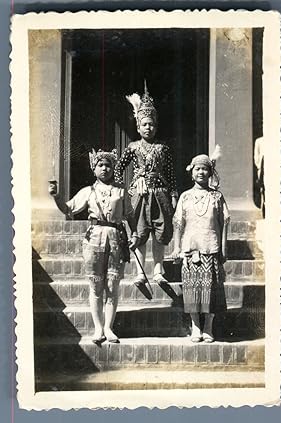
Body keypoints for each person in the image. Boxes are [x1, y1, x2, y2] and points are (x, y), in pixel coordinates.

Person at [48, 148, 139, 344]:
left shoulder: (121, 190)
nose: (104, 168)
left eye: (108, 165)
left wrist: (135, 234)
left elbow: (130, 215)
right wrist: (56, 197)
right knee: (96, 285)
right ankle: (98, 328)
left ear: (114, 168)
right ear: (94, 168)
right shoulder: (87, 191)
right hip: (94, 239)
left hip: (116, 238)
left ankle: (109, 327)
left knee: (112, 286)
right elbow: (68, 209)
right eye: (100, 165)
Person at [114, 82, 178, 286]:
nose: (148, 128)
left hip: (160, 194)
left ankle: (158, 270)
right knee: (139, 232)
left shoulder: (163, 148)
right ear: (138, 126)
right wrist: (123, 189)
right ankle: (140, 272)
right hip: (138, 195)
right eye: (144, 124)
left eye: (151, 124)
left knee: (160, 232)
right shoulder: (132, 147)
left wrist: (174, 195)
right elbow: (118, 168)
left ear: (156, 126)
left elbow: (170, 173)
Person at [171, 148, 230, 343]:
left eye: (205, 169)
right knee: (191, 290)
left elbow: (224, 222)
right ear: (192, 171)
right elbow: (178, 222)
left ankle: (208, 327)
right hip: (190, 249)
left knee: (210, 290)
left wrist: (222, 249)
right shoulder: (185, 197)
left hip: (210, 248)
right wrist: (177, 247)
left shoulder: (217, 197)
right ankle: (196, 327)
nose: (201, 172)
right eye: (197, 169)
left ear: (210, 172)